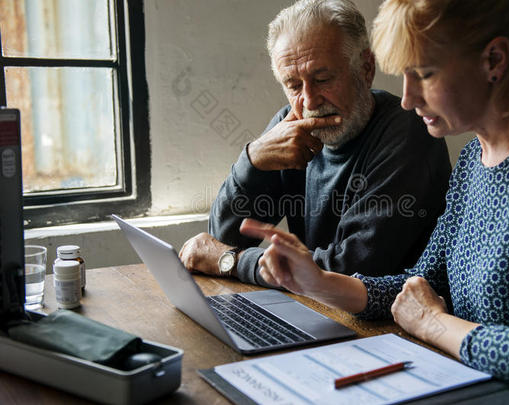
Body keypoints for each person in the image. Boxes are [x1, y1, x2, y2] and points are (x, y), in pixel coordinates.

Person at [239, 0, 509, 402]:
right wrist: (319, 282)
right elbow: (422, 282)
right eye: (403, 76)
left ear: (494, 60)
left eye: (425, 74)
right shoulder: (474, 157)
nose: (407, 99)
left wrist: (434, 324)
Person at [179, 0, 451, 286]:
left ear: (366, 68)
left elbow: (350, 271)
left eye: (322, 79)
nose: (309, 101)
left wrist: (233, 262)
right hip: (316, 308)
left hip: (388, 322)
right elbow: (223, 238)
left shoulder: (409, 133)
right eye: (294, 85)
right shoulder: (290, 126)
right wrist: (252, 159)